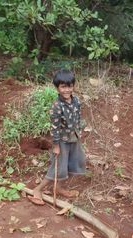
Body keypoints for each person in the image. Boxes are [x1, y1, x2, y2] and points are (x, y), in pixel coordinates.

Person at [28, 69, 86, 206]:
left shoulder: (76, 100)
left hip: (74, 138)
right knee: (58, 166)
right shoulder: (57, 106)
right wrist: (56, 146)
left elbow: (78, 118)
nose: (67, 90)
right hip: (62, 142)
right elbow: (54, 128)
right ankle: (37, 190)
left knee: (77, 161)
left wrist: (79, 133)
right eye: (63, 87)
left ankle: (59, 187)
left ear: (73, 86)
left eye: (69, 86)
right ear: (57, 88)